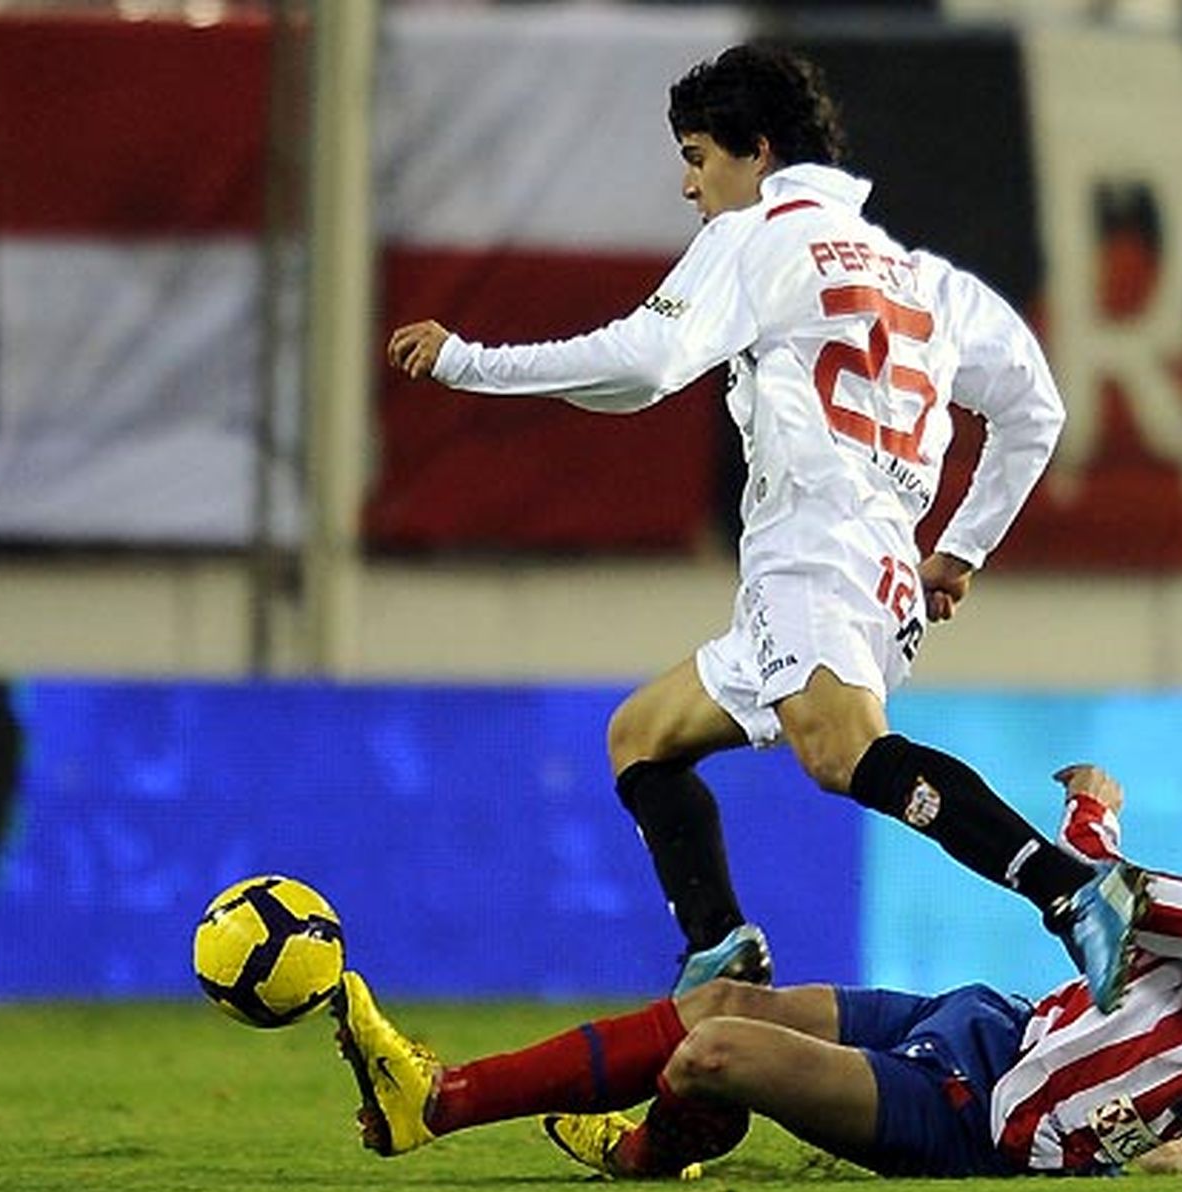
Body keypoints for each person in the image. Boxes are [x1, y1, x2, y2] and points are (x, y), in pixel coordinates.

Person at [388, 44, 1133, 1007]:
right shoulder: (924, 279)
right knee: (643, 738)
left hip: (812, 546)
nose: (690, 184)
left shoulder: (760, 238)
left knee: (841, 752)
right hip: (881, 562)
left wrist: (469, 362)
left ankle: (1073, 891)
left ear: (759, 152)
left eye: (699, 156)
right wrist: (962, 549)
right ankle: (719, 944)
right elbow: (1036, 408)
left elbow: (644, 365)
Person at [331, 712, 1182, 1179]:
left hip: (985, 1118)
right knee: (735, 1011)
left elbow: (1119, 899)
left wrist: (1092, 818)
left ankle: (647, 1145)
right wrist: (1161, 1149)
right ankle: (435, 1096)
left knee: (713, 1050)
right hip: (997, 1029)